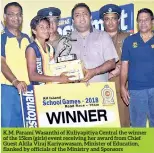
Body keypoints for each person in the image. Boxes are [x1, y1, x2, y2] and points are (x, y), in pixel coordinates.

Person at [55, 3, 118, 83]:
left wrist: (94, 71)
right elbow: (58, 67)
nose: (82, 18)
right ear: (73, 21)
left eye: (84, 14)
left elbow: (111, 63)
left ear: (90, 17)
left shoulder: (103, 36)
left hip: (99, 90)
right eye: (77, 15)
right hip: (74, 91)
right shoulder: (65, 41)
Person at [120, 8, 154, 127]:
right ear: (137, 22)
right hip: (136, 90)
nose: (143, 23)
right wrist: (122, 86)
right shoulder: (129, 41)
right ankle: (142, 146)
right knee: (137, 126)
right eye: (140, 20)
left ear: (152, 22)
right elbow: (124, 65)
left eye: (146, 20)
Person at [99, 4, 130, 127]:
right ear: (103, 21)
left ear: (118, 20)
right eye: (107, 19)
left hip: (121, 87)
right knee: (105, 124)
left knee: (123, 123)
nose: (110, 22)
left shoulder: (127, 38)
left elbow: (134, 60)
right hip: (102, 87)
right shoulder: (96, 38)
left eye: (113, 18)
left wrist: (120, 68)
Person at [1, 2, 30, 127]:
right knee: (8, 129)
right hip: (8, 89)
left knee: (27, 128)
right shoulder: (2, 38)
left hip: (28, 90)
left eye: (18, 15)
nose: (16, 18)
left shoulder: (27, 38)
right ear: (5, 17)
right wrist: (15, 81)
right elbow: (1, 63)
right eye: (11, 14)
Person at [25, 15, 71, 85]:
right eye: (42, 27)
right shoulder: (32, 48)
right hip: (39, 90)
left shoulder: (50, 48)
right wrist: (58, 78)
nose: (46, 30)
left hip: (51, 88)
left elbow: (53, 69)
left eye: (47, 27)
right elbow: (32, 76)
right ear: (34, 31)